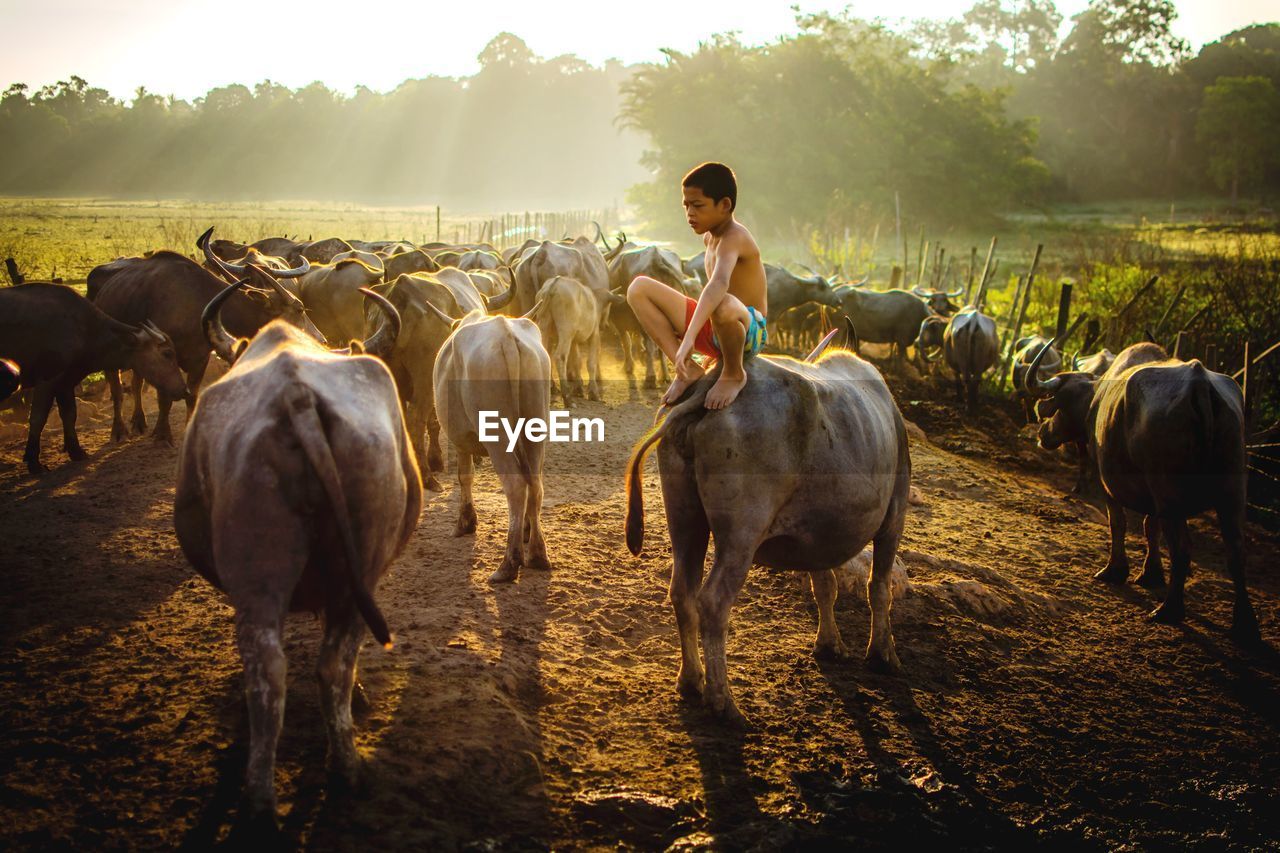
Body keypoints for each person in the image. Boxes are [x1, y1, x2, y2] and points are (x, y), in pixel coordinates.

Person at [626, 162, 768, 410]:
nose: (690, 213)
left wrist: (689, 337)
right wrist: (686, 343)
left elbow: (719, 284)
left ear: (724, 205)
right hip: (714, 326)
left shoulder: (735, 238)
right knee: (638, 288)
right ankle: (687, 370)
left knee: (722, 302)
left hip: (746, 330)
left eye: (698, 206)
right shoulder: (709, 237)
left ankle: (734, 373)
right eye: (686, 205)